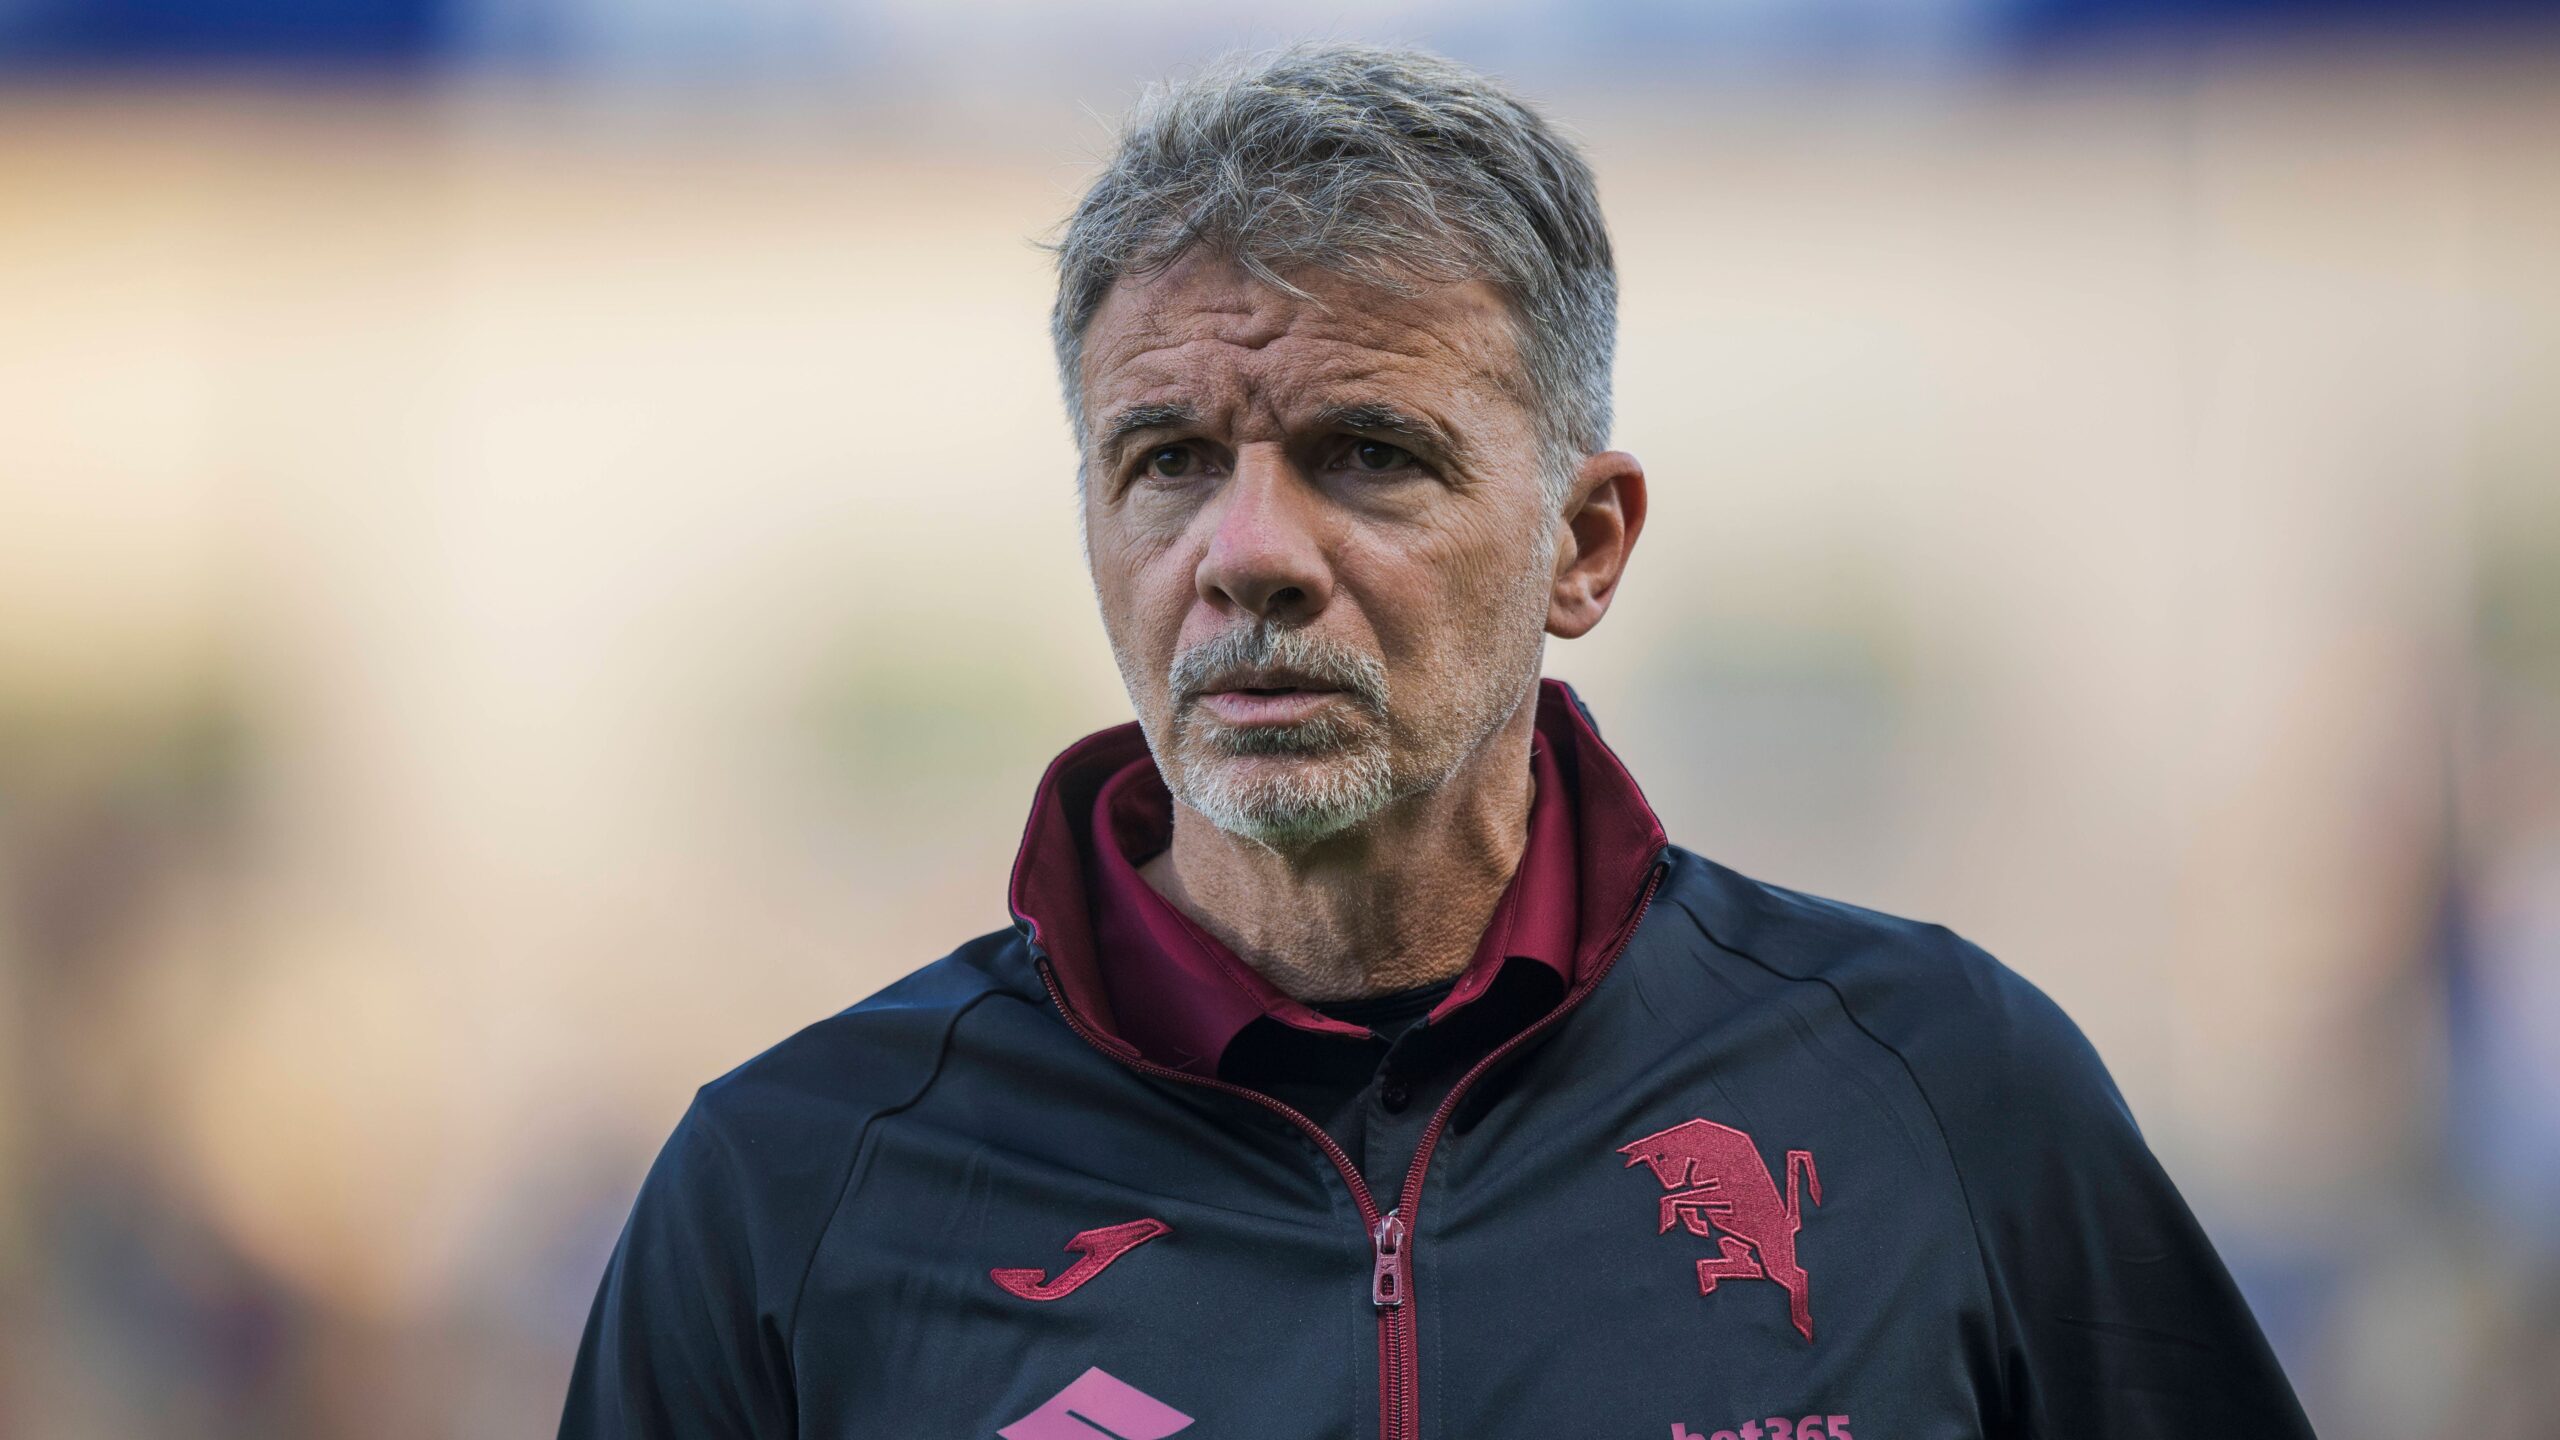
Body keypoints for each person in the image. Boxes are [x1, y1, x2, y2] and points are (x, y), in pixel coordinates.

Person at [557, 40, 2315, 1440]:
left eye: (1368, 454)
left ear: (1584, 546)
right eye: (1168, 461)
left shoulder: (1944, 1093)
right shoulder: (791, 1185)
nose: (1248, 552)